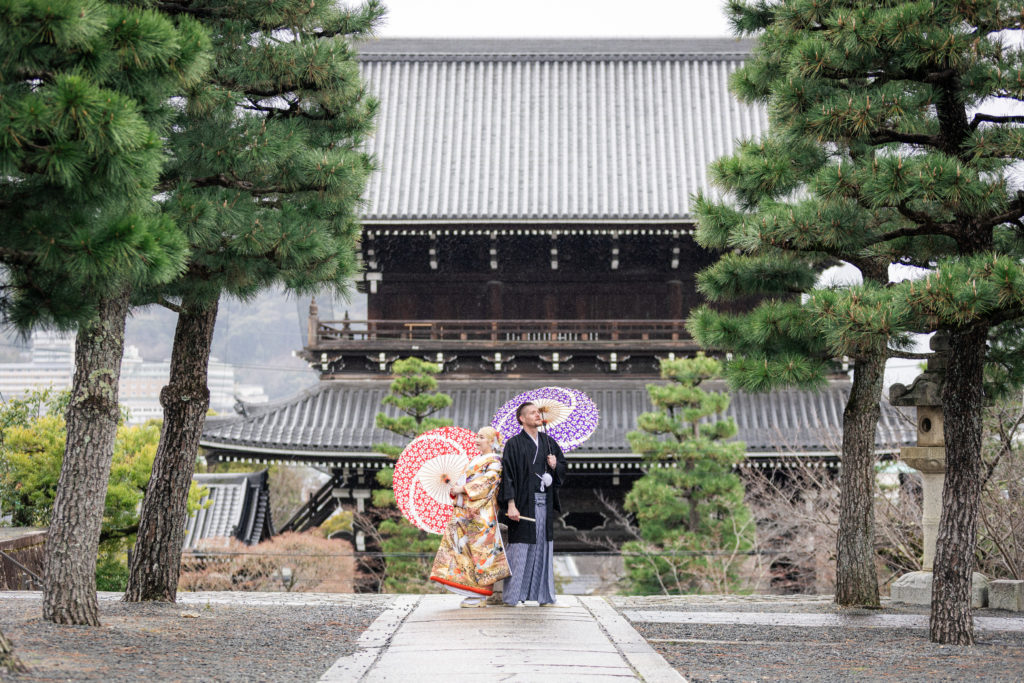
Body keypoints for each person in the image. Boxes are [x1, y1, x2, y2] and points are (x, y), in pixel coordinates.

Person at [429, 426, 511, 607]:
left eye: (481, 437)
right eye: (477, 436)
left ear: (491, 441)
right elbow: (465, 481)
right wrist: (456, 489)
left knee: (480, 552)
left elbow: (488, 482)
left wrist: (464, 488)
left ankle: (480, 595)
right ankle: (470, 590)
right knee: (461, 549)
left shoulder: (495, 461)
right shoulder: (475, 460)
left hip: (482, 512)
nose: (477, 440)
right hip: (465, 510)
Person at [498, 402, 568, 606]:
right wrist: (511, 504)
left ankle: (543, 595)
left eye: (538, 412)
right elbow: (508, 476)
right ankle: (512, 597)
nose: (537, 415)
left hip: (544, 501)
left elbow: (562, 468)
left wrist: (555, 466)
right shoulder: (513, 444)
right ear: (522, 418)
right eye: (532, 413)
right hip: (522, 503)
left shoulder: (549, 442)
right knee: (520, 548)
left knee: (543, 547)